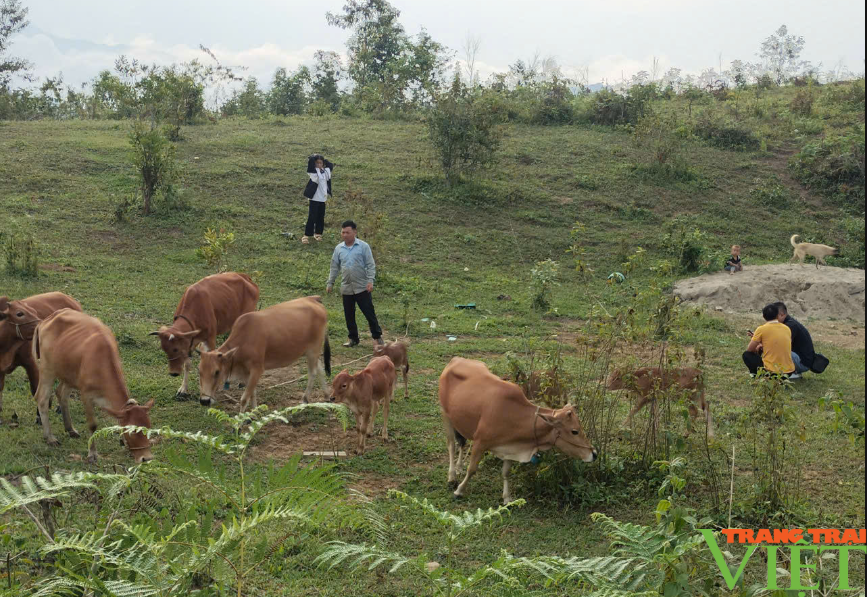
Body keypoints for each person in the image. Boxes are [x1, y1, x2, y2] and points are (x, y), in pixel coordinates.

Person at [326, 221, 384, 347]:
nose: (345, 235)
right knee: (349, 314)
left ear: (355, 232)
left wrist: (370, 281)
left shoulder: (363, 246)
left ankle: (377, 337)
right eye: (343, 232)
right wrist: (330, 282)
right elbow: (334, 266)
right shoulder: (339, 248)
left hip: (362, 286)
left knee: (369, 313)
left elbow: (370, 264)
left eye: (348, 232)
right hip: (346, 287)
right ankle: (353, 338)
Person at [743, 303, 796, 379]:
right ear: (777, 315)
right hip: (788, 372)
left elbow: (750, 350)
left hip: (772, 373)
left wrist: (755, 340)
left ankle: (757, 376)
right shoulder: (787, 328)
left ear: (763, 317)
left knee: (746, 355)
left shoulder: (761, 329)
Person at [773, 302, 815, 376]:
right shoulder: (787, 323)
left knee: (778, 350)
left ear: (782, 315)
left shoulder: (790, 326)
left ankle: (788, 372)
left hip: (802, 363)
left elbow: (780, 345)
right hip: (798, 357)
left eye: (773, 317)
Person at [301, 154, 334, 244]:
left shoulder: (326, 171)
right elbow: (310, 165)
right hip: (315, 198)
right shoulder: (314, 173)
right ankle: (307, 235)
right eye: (317, 163)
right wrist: (313, 157)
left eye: (320, 163)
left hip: (323, 199)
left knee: (321, 217)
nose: (319, 165)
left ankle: (318, 233)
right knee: (312, 217)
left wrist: (323, 160)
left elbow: (330, 165)